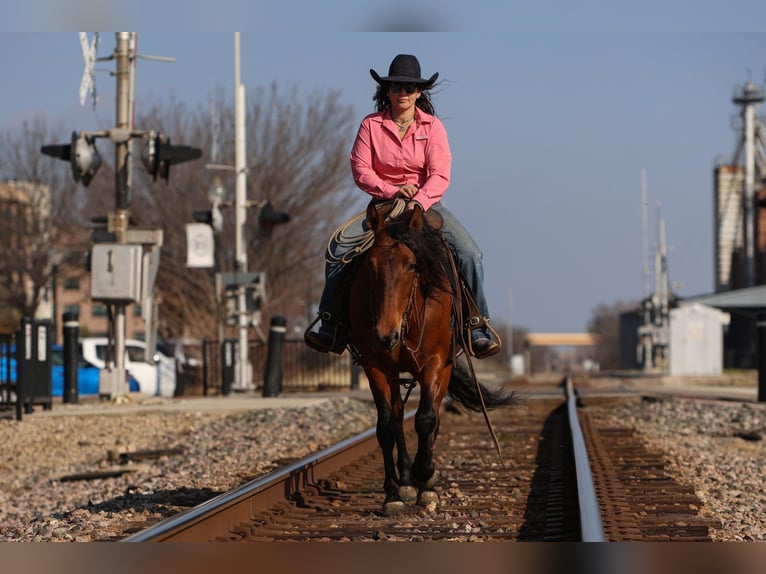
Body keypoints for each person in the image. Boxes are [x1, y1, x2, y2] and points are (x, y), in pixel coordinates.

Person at [305, 54, 500, 358]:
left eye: (409, 88)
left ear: (419, 92)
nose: (403, 93)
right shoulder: (370, 125)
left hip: (426, 206)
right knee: (338, 250)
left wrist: (418, 201)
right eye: (397, 87)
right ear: (387, 90)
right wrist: (393, 190)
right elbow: (361, 169)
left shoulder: (433, 127)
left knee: (470, 253)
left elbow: (440, 173)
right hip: (383, 204)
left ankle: (477, 326)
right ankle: (330, 324)